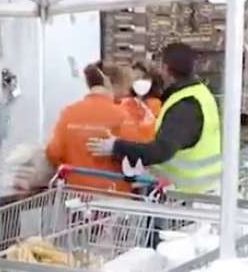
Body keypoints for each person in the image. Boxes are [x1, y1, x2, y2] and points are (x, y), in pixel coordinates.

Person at [90, 43, 222, 193]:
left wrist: (116, 147)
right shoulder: (199, 93)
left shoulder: (185, 104)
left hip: (189, 196)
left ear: (165, 68)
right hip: (201, 190)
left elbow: (161, 150)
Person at [39, 61, 132, 191]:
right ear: (111, 83)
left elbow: (53, 152)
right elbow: (135, 155)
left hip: (76, 194)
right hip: (113, 195)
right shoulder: (123, 116)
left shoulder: (69, 112)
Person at [118, 62, 163, 143]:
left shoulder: (156, 104)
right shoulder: (125, 101)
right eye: (135, 79)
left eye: (142, 78)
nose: (139, 82)